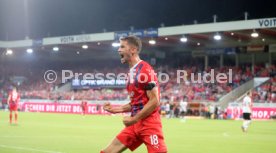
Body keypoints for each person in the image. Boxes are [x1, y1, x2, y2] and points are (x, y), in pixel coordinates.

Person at [101, 36, 167, 153]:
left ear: (133, 50)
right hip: (135, 124)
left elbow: (154, 101)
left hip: (149, 124)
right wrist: (116, 109)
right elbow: (137, 102)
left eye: (122, 46)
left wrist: (134, 119)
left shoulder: (145, 70)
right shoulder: (131, 73)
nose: (118, 50)